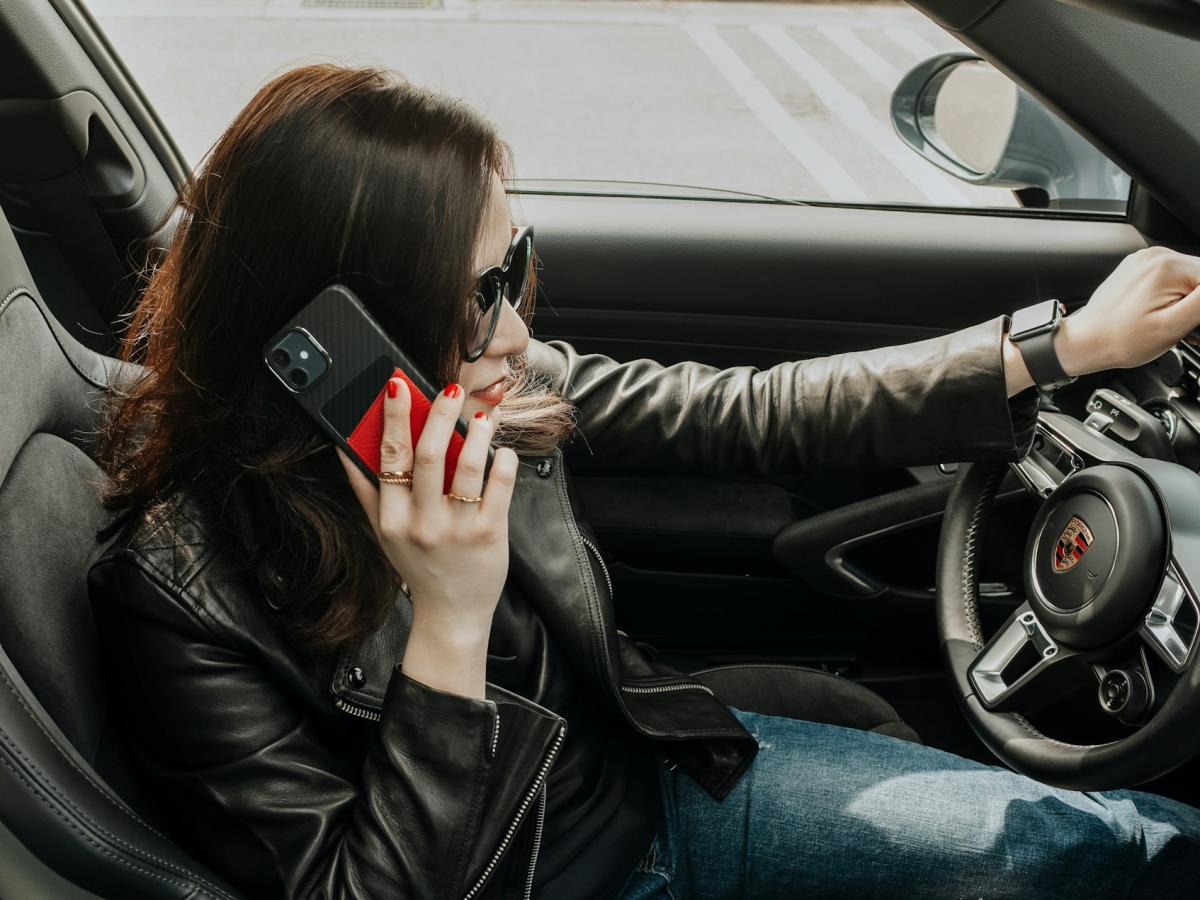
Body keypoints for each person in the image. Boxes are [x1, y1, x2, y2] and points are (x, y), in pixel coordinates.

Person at [87, 62, 1200, 900]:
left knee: (1094, 847)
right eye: (475, 296)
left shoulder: (484, 398)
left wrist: (1065, 347)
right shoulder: (182, 595)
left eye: (514, 268)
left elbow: (749, 410)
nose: (514, 330)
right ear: (346, 326)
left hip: (662, 788)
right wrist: (451, 622)